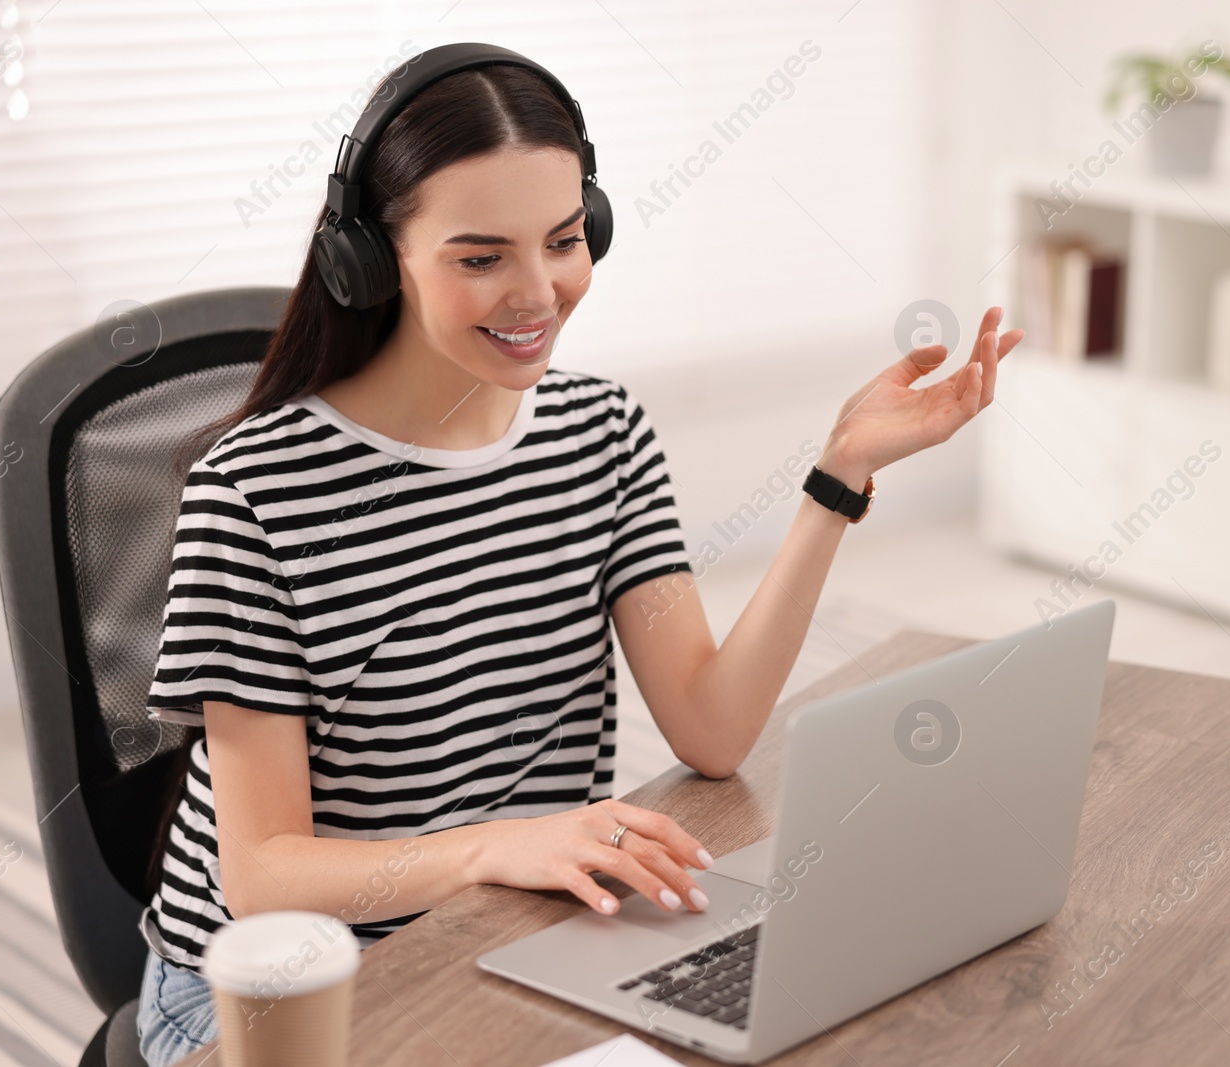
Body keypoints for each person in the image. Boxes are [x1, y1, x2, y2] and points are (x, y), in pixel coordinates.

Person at [134, 49, 1022, 1067]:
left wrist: (838, 475)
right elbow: (262, 875)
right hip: (276, 997)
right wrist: (496, 845)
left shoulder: (600, 433)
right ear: (370, 260)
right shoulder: (254, 494)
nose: (537, 293)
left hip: (503, 933)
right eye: (480, 258)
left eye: (562, 241)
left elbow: (713, 724)